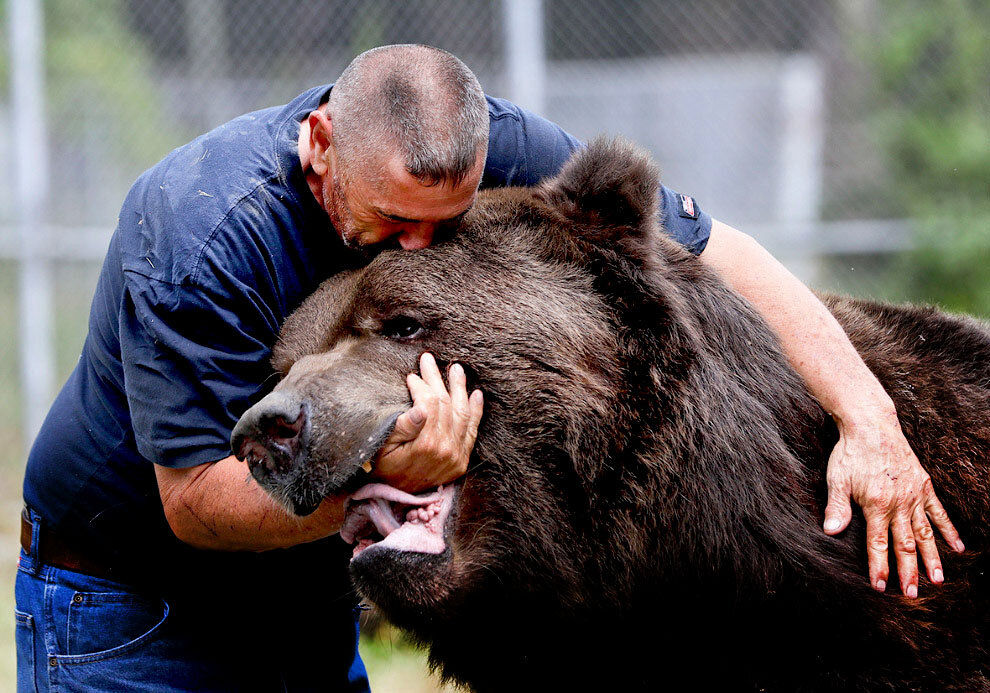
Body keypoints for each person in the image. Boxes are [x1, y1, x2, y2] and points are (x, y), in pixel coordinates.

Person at [16, 44, 962, 691]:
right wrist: (385, 475)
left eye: (446, 224)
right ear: (321, 146)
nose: (423, 243)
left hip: (293, 594)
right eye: (394, 225)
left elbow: (714, 246)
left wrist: (869, 418)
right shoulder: (198, 234)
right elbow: (193, 504)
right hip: (132, 601)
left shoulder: (456, 152)